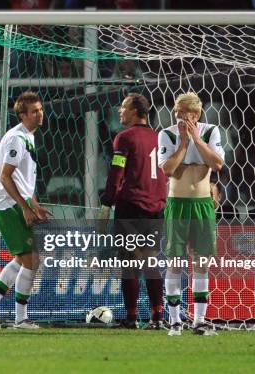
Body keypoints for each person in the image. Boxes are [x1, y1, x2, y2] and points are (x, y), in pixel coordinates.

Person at [0, 91, 51, 330]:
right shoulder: (16, 139)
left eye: (40, 109)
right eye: (34, 111)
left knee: (22, 260)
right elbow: (5, 177)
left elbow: (22, 179)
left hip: (15, 204)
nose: (40, 114)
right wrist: (24, 207)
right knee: (32, 260)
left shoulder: (29, 136)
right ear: (22, 115)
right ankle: (20, 319)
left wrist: (34, 204)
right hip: (8, 206)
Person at [158, 92, 225, 336]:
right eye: (176, 112)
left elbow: (217, 164)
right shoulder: (166, 134)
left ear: (195, 115)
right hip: (177, 205)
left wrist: (196, 139)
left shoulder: (210, 131)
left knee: (201, 263)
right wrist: (184, 143)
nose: (177, 116)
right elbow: (168, 169)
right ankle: (175, 321)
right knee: (174, 262)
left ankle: (199, 321)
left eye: (181, 112)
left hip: (202, 205)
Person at [99, 93, 167, 329]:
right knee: (151, 262)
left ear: (137, 112)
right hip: (156, 207)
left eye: (124, 107)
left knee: (130, 264)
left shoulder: (124, 138)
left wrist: (107, 201)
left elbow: (117, 173)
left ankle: (131, 318)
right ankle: (157, 317)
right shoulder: (160, 137)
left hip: (132, 205)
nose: (120, 111)